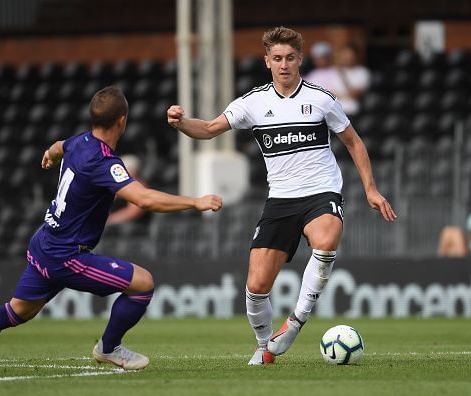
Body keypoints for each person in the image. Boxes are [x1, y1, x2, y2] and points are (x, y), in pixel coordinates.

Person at [0, 86, 222, 374]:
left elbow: (57, 147)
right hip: (67, 255)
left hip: (45, 242)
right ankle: (108, 348)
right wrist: (195, 202)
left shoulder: (79, 142)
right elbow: (143, 199)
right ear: (122, 121)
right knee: (143, 284)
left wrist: (50, 156)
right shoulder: (103, 162)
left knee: (15, 312)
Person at [167, 26, 396, 366]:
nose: (284, 64)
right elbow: (210, 129)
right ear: (267, 62)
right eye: (277, 58)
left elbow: (353, 142)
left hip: (321, 191)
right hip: (281, 200)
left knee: (327, 235)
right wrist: (182, 122)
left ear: (300, 60)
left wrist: (371, 189)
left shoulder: (321, 98)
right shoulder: (253, 103)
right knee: (256, 286)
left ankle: (296, 322)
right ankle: (264, 346)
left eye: (290, 58)